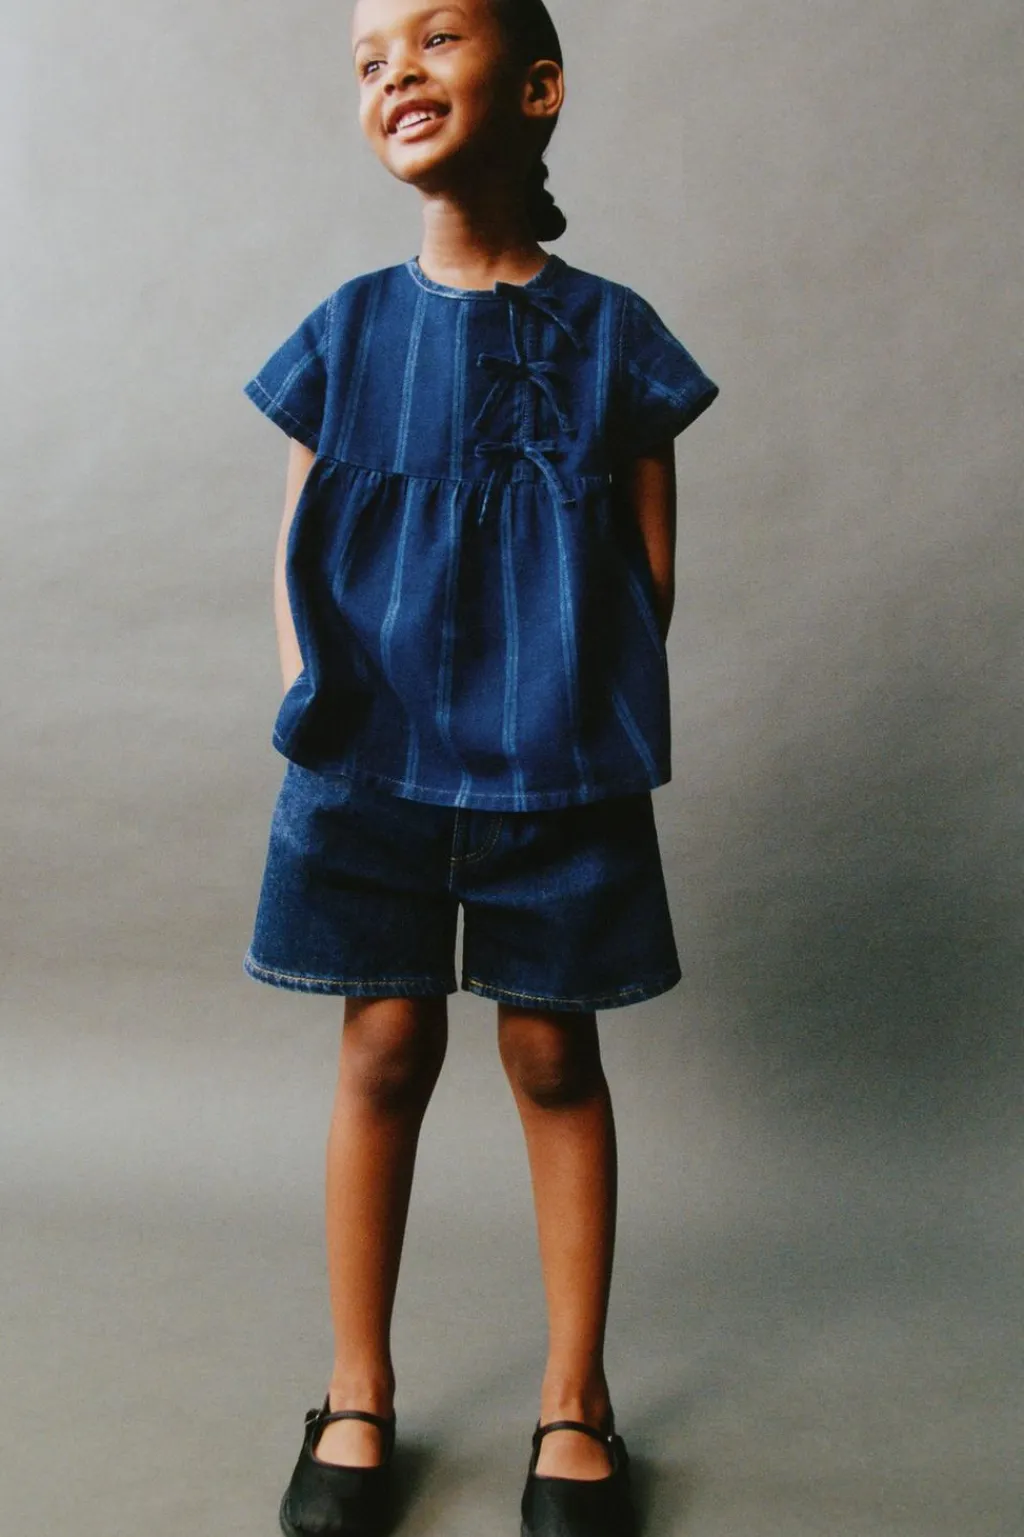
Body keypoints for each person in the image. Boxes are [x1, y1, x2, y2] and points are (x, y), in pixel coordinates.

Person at [240, 2, 719, 1533]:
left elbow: (647, 573)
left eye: (432, 37)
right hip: (368, 772)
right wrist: (321, 696)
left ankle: (575, 1398)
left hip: (558, 776)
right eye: (368, 57)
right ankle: (357, 1387)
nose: (393, 70)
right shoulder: (344, 332)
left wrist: (571, 713)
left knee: (554, 1061)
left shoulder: (617, 336)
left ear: (537, 87)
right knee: (382, 1050)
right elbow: (298, 551)